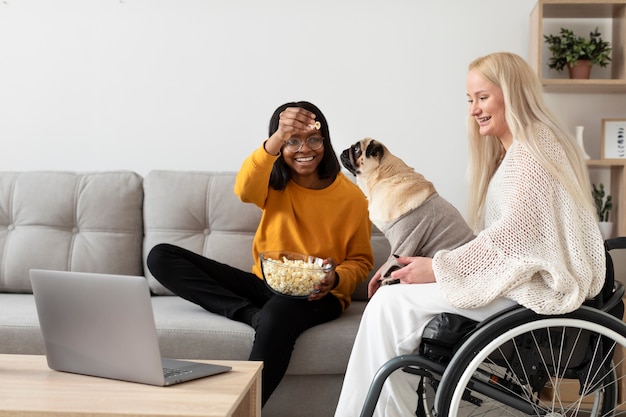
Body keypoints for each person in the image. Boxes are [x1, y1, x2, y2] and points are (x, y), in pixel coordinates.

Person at [333, 52, 606, 417]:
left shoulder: (533, 151)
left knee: (387, 305)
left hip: (532, 289)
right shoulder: (518, 151)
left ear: (513, 94)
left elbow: (517, 237)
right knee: (391, 299)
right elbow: (507, 236)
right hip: (516, 282)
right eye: (470, 100)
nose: (474, 109)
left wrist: (438, 268)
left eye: (483, 97)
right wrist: (416, 266)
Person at [147, 100, 374, 406]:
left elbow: (361, 261)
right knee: (160, 256)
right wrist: (276, 138)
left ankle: (241, 411)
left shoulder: (353, 197)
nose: (304, 149)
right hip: (264, 284)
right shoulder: (272, 183)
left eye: (313, 139)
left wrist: (334, 279)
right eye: (291, 141)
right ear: (279, 146)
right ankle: (250, 314)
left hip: (318, 296)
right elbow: (243, 188)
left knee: (278, 314)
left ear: (325, 141)